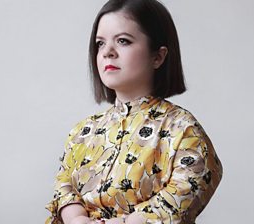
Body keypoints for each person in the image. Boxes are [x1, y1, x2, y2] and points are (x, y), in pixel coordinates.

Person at [45, 0, 223, 223]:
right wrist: (76, 218)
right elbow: (63, 185)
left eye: (122, 41)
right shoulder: (83, 131)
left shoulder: (183, 129)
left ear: (158, 56)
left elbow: (188, 186)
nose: (108, 52)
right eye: (100, 43)